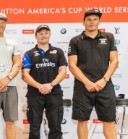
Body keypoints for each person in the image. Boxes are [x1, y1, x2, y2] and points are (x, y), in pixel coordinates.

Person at [68, 9, 119, 139]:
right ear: (83, 22)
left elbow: (114, 61)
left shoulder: (108, 37)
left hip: (105, 86)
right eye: (89, 19)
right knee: (82, 121)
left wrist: (104, 80)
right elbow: (72, 65)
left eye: (95, 19)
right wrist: (87, 82)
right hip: (82, 87)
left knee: (109, 121)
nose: (92, 22)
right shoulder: (75, 40)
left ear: (99, 21)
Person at [22, 24, 67, 139]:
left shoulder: (58, 52)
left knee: (56, 127)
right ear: (35, 36)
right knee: (34, 128)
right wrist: (39, 86)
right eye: (40, 33)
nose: (43, 35)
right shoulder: (29, 54)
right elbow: (24, 74)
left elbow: (63, 71)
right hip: (35, 94)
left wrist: (51, 85)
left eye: (46, 33)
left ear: (50, 34)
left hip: (54, 93)